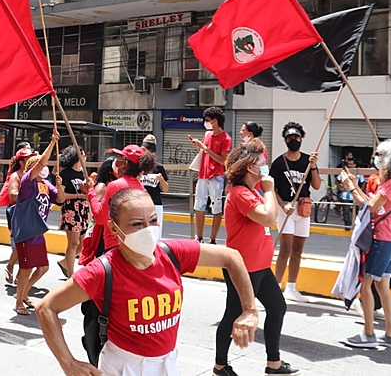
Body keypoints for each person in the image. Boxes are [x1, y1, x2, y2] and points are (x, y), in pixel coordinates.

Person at [36, 188, 259, 375]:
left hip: (167, 363)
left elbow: (232, 257)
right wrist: (68, 363)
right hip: (124, 367)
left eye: (152, 220)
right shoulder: (103, 271)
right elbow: (47, 307)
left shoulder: (173, 253)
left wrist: (249, 309)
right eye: (136, 224)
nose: (148, 230)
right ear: (115, 229)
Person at [215, 139, 300, 376]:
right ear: (250, 166)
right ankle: (220, 366)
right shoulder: (241, 192)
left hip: (259, 265)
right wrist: (270, 190)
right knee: (233, 315)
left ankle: (273, 363)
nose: (265, 165)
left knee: (277, 307)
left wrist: (270, 195)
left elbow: (269, 215)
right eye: (261, 161)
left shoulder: (252, 191)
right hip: (243, 267)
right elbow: (267, 218)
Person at [341, 139, 391, 349]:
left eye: (380, 155)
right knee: (382, 286)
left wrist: (351, 187)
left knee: (366, 284)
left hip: (383, 239)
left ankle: (368, 333)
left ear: (389, 158)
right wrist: (356, 188)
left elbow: (369, 207)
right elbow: (372, 203)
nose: (376, 159)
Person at [13, 131, 65, 315]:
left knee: (43, 267)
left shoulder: (45, 184)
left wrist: (58, 185)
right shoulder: (28, 180)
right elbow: (42, 161)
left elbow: (60, 199)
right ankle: (19, 302)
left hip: (38, 232)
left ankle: (24, 294)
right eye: (37, 164)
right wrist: (52, 142)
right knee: (26, 268)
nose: (42, 167)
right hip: (27, 230)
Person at [270, 122, 321, 303]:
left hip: (303, 210)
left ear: (302, 139)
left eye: (297, 137)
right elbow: (272, 188)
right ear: (285, 140)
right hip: (287, 210)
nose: (294, 140)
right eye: (290, 138)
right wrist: (283, 205)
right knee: (285, 249)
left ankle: (291, 287)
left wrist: (314, 166)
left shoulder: (308, 161)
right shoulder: (278, 163)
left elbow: (316, 185)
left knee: (298, 249)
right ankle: (276, 286)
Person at [91, 145, 155, 253]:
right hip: (136, 248)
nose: (117, 161)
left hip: (115, 247)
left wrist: (90, 192)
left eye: (120, 158)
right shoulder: (142, 190)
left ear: (125, 164)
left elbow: (100, 217)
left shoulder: (115, 186)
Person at [189, 107, 232, 244]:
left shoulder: (225, 138)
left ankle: (212, 239)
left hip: (216, 176)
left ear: (215, 121)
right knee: (199, 206)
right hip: (203, 175)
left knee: (216, 208)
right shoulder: (207, 135)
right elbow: (203, 152)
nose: (206, 123)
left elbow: (223, 160)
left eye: (207, 120)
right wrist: (198, 145)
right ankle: (199, 237)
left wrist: (205, 148)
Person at [0, 147, 37, 286]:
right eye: (28, 158)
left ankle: (20, 277)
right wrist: (29, 196)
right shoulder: (16, 175)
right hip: (19, 213)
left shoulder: (36, 174)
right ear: (21, 162)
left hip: (32, 213)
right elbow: (12, 195)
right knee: (19, 246)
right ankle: (10, 267)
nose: (32, 160)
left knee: (28, 247)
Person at [57, 145, 90, 279]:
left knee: (83, 243)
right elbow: (61, 195)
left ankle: (65, 262)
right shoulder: (66, 174)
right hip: (71, 209)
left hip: (83, 209)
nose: (85, 157)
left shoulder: (83, 173)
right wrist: (78, 196)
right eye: (82, 154)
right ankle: (71, 274)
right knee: (73, 243)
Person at [140, 134, 169, 235]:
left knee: (155, 234)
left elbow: (165, 189)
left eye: (145, 149)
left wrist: (161, 178)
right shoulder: (138, 166)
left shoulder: (158, 167)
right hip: (140, 203)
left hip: (155, 204)